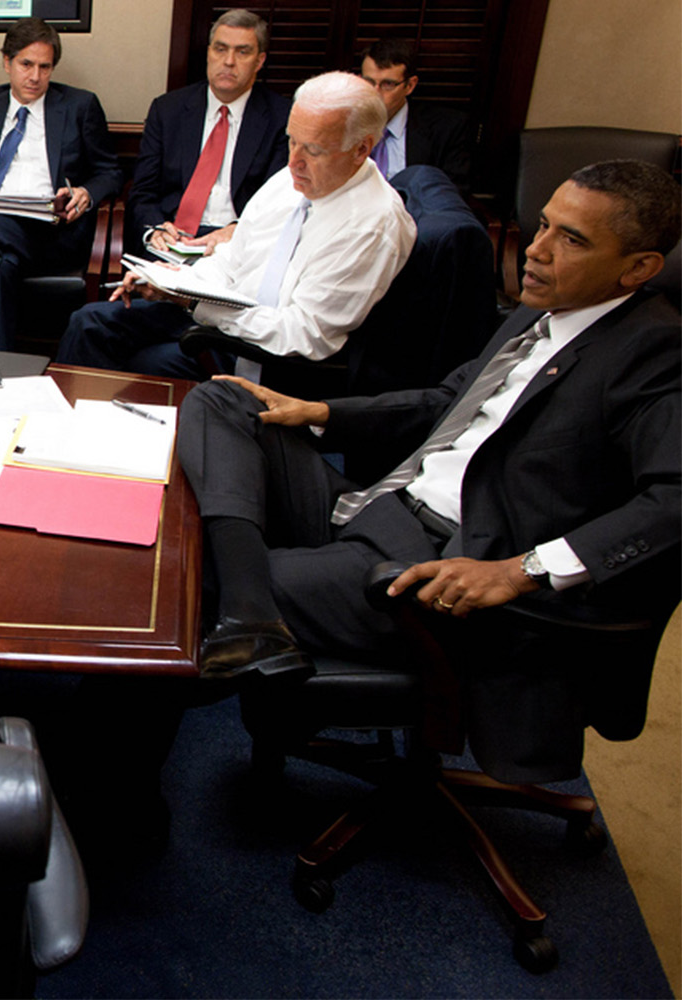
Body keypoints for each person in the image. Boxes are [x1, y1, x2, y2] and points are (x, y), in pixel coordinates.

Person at [177, 160, 679, 780]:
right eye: (542, 225)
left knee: (185, 584)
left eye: (571, 240)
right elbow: (449, 401)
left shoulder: (655, 353)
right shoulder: (543, 308)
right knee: (225, 400)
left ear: (639, 268)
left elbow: (675, 500)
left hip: (441, 567)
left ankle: (236, 614)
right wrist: (321, 411)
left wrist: (521, 571)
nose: (537, 250)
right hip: (381, 507)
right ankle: (254, 613)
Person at [56, 71, 415, 380]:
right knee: (89, 323)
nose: (294, 162)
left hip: (260, 353)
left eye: (314, 150)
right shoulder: (291, 182)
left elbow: (304, 335)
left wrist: (193, 304)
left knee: (139, 364)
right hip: (222, 313)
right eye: (292, 141)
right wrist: (176, 280)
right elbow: (234, 257)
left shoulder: (373, 225)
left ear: (360, 149)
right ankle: (55, 445)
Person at [0, 17, 121, 350]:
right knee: (2, 262)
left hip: (55, 232)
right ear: (6, 63)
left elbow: (110, 171)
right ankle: (3, 364)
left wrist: (86, 193)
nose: (35, 76)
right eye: (26, 64)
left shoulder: (80, 106)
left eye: (45, 67)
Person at [127, 8, 290, 257]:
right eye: (220, 49)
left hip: (237, 246)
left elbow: (279, 202)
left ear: (260, 61)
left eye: (242, 51)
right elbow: (143, 192)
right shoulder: (168, 110)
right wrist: (155, 229)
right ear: (208, 53)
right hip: (172, 239)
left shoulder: (281, 118)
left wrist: (238, 230)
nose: (228, 61)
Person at [360, 38, 474, 191]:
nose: (375, 92)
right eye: (368, 82)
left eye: (388, 84)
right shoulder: (339, 122)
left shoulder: (446, 128)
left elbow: (451, 195)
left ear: (410, 86)